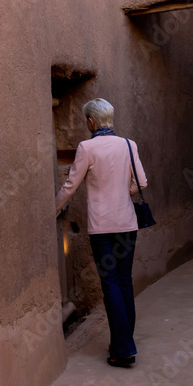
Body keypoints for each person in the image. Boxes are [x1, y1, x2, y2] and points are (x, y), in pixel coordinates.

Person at [55, 98, 147, 368]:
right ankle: (125, 341)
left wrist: (52, 208)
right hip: (127, 225)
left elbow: (71, 185)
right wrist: (122, 193)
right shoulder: (129, 145)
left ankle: (123, 348)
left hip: (102, 229)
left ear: (91, 122)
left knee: (110, 285)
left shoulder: (87, 147)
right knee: (124, 281)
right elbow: (141, 182)